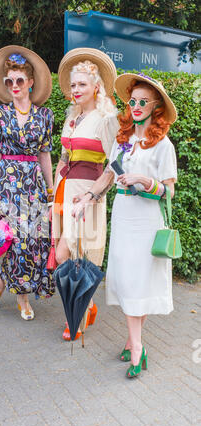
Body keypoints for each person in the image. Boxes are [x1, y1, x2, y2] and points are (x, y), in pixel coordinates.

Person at [72, 73, 178, 378]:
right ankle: (134, 342)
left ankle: (137, 349)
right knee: (130, 283)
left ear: (156, 106)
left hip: (146, 220)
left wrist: (147, 181)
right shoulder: (124, 139)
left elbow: (168, 191)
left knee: (138, 283)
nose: (136, 106)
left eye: (143, 101)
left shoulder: (163, 146)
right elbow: (108, 175)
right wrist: (87, 199)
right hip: (122, 216)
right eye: (132, 101)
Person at [53, 48, 119, 341]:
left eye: (82, 84)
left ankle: (75, 317)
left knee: (78, 255)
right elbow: (63, 159)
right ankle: (87, 305)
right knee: (63, 255)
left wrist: (92, 196)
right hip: (66, 193)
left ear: (96, 87)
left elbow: (116, 165)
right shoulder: (71, 119)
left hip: (88, 195)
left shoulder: (106, 120)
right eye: (73, 85)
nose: (76, 90)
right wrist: (53, 195)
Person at [0, 45, 55, 320]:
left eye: (19, 80)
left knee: (34, 241)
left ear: (31, 82)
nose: (14, 86)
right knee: (16, 241)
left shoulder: (45, 116)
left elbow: (46, 155)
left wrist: (51, 191)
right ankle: (23, 300)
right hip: (7, 185)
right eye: (9, 81)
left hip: (34, 185)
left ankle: (0, 283)